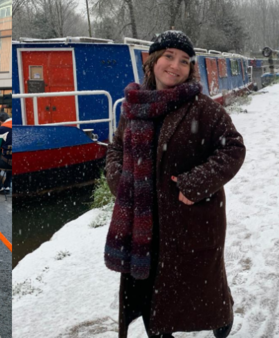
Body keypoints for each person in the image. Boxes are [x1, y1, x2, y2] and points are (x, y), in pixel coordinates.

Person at [104, 30, 245, 338]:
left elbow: (233, 148)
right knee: (151, 291)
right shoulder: (134, 106)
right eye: (168, 56)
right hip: (142, 222)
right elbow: (116, 149)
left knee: (206, 291)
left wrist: (193, 185)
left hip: (191, 220)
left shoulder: (202, 108)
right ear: (153, 61)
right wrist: (120, 181)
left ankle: (222, 323)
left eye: (184, 61)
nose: (175, 66)